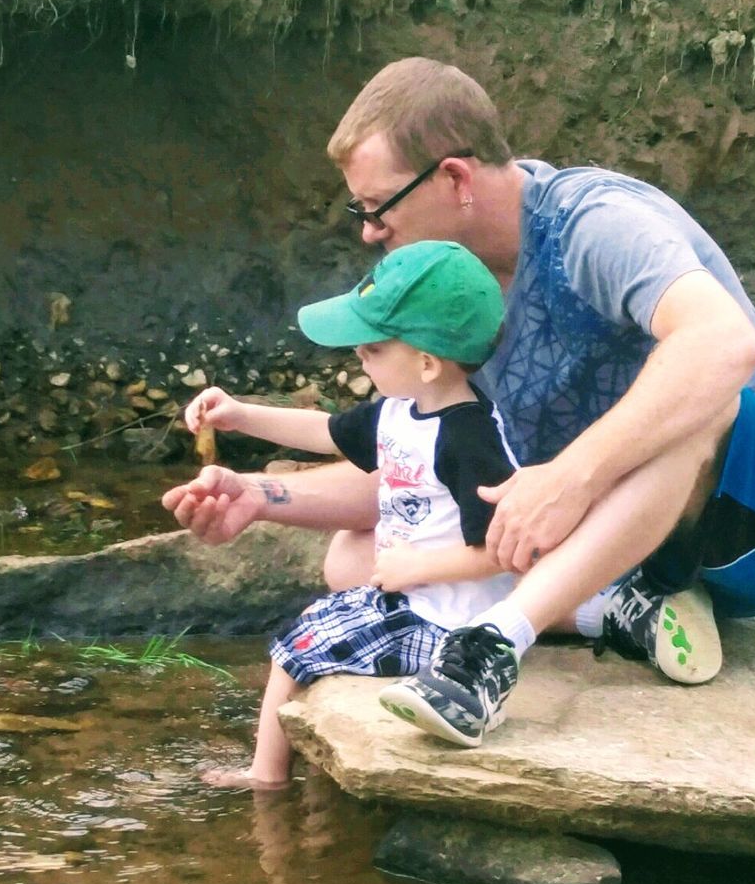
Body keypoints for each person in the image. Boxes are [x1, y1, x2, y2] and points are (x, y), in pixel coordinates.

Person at [164, 57, 755, 751]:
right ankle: (623, 610)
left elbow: (722, 343)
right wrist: (260, 495)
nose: (368, 231)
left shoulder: (591, 224)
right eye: (359, 211)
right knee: (354, 557)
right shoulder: (457, 303)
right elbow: (430, 474)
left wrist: (570, 473)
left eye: (377, 207)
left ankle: (493, 648)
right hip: (626, 539)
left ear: (455, 177)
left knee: (699, 392)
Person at [189, 240, 518, 787]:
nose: (359, 357)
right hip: (408, 597)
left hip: (447, 622)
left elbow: (499, 552)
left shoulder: (469, 437)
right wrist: (239, 415)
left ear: (428, 362)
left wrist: (417, 570)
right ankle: (268, 769)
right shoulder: (401, 410)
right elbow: (324, 432)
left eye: (373, 349)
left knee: (297, 646)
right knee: (304, 630)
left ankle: (266, 776)